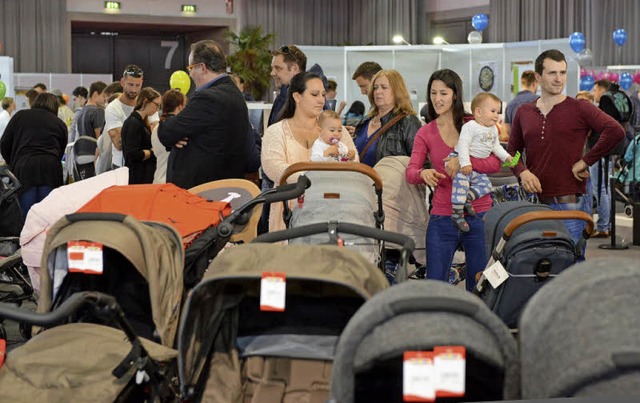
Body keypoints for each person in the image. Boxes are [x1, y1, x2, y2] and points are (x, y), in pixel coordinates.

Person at [507, 49, 625, 247]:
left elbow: (615, 131)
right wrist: (522, 172)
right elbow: (511, 153)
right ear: (538, 76)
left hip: (570, 204)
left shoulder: (580, 108)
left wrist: (586, 161)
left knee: (569, 266)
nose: (558, 79)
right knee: (538, 266)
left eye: (562, 72)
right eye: (552, 73)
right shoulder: (523, 112)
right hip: (534, 204)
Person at [406, 69, 502, 291]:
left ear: (455, 95)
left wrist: (464, 162)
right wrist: (422, 174)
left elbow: (496, 164)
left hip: (479, 215)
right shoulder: (426, 132)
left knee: (480, 286)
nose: (437, 99)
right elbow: (411, 171)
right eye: (433, 93)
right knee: (435, 285)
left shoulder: (475, 124)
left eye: (443, 93)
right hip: (442, 215)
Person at [261, 71, 358, 232]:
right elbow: (275, 169)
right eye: (314, 94)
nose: (321, 100)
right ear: (297, 97)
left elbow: (354, 163)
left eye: (323, 94)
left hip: (331, 208)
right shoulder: (276, 131)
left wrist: (346, 156)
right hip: (288, 212)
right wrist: (316, 178)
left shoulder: (337, 130)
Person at [158, 39, 249, 189]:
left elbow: (166, 132)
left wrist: (175, 127)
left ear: (202, 67)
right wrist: (177, 133)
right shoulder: (233, 91)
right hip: (223, 186)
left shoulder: (208, 98)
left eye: (191, 68)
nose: (191, 74)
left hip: (202, 191)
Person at [451, 93, 513, 231]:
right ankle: (457, 214)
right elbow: (463, 144)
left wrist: (506, 157)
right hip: (462, 159)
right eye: (493, 111)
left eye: (498, 112)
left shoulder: (493, 130)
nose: (496, 115)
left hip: (475, 166)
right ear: (478, 112)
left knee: (485, 185)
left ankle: (468, 199)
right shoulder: (470, 126)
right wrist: (465, 163)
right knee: (461, 184)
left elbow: (495, 147)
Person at [1, 93, 67, 219]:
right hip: (50, 168)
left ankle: (25, 237)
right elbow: (61, 151)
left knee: (26, 214)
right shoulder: (59, 123)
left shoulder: (20, 116)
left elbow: (4, 143)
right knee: (47, 214)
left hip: (25, 166)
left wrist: (13, 163)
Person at [353, 69, 422, 167]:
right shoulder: (364, 121)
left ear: (397, 91)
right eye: (375, 87)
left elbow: (420, 163)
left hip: (388, 181)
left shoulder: (408, 122)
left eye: (384, 87)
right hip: (359, 180)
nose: (378, 91)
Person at [104, 65, 158, 170]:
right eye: (130, 84)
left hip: (147, 165)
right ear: (122, 82)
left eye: (137, 85)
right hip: (122, 166)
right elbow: (119, 144)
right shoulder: (112, 108)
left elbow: (157, 136)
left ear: (142, 83)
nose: (133, 89)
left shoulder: (147, 104)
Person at [122, 87, 160, 184]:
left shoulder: (141, 122)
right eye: (156, 105)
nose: (157, 109)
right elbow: (133, 154)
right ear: (145, 101)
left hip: (143, 175)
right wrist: (152, 152)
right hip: (137, 177)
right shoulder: (133, 123)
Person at [151, 89, 185, 184]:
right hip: (171, 183)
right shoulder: (179, 129)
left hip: (158, 179)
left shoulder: (156, 128)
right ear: (180, 107)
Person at [268, 44, 307, 126]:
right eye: (272, 68)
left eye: (278, 68)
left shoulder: (304, 102)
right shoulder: (283, 96)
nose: (272, 73)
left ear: (295, 69)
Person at [504, 70, 538, 135]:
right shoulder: (539, 101)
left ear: (522, 83)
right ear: (534, 83)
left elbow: (508, 131)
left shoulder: (510, 104)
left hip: (517, 144)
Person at [0, 97, 16, 165]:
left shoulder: (7, 116)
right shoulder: (4, 117)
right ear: (10, 104)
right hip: (3, 148)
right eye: (13, 103)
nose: (15, 104)